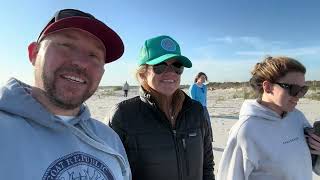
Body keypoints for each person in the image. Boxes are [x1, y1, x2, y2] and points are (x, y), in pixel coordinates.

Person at [0, 9, 131, 179]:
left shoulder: (109, 138)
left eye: (94, 55)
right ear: (34, 53)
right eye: (67, 46)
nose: (82, 62)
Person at [108, 35, 215, 180]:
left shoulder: (196, 111)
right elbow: (110, 172)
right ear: (142, 73)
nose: (171, 72)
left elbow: (207, 165)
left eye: (177, 66)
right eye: (160, 66)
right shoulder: (123, 115)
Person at [217, 56, 320, 180]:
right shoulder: (245, 131)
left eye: (303, 90)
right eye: (294, 89)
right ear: (268, 87)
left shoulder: (297, 117)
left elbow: (310, 164)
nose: (299, 95)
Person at [189, 72, 213, 141]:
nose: (203, 79)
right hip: (196, 108)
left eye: (204, 78)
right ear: (198, 78)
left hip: (204, 108)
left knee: (207, 123)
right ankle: (199, 138)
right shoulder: (193, 86)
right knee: (198, 124)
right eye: (202, 77)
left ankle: (209, 138)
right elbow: (192, 99)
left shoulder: (204, 87)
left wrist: (205, 106)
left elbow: (205, 98)